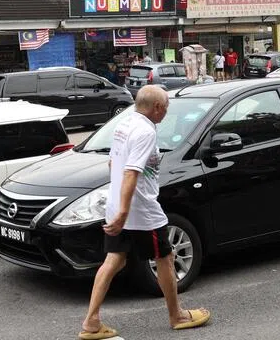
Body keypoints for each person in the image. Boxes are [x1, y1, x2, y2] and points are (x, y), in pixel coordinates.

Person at [79, 86, 210, 339]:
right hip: (141, 211)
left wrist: (119, 207)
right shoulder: (145, 131)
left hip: (118, 205)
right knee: (165, 257)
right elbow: (131, 171)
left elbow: (113, 163)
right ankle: (177, 316)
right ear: (157, 107)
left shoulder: (124, 124)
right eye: (166, 107)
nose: (167, 111)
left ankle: (91, 322)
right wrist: (124, 212)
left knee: (114, 260)